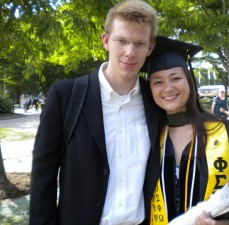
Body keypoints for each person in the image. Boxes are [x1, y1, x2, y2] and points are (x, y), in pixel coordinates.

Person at [29, 1, 162, 225]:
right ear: (106, 40)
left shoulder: (154, 101)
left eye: (139, 43)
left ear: (150, 48)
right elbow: (43, 176)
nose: (130, 52)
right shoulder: (65, 95)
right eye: (122, 41)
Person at [145, 36, 229, 225]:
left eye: (175, 78)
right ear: (150, 88)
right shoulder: (146, 139)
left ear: (189, 81)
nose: (168, 88)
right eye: (158, 82)